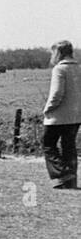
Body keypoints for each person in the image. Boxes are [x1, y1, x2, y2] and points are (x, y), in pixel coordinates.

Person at [42, 39, 80, 189]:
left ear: (58, 53)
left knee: (48, 144)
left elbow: (57, 93)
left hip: (59, 115)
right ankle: (70, 180)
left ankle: (63, 173)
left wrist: (48, 109)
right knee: (69, 146)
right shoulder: (79, 68)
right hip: (76, 115)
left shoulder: (59, 69)